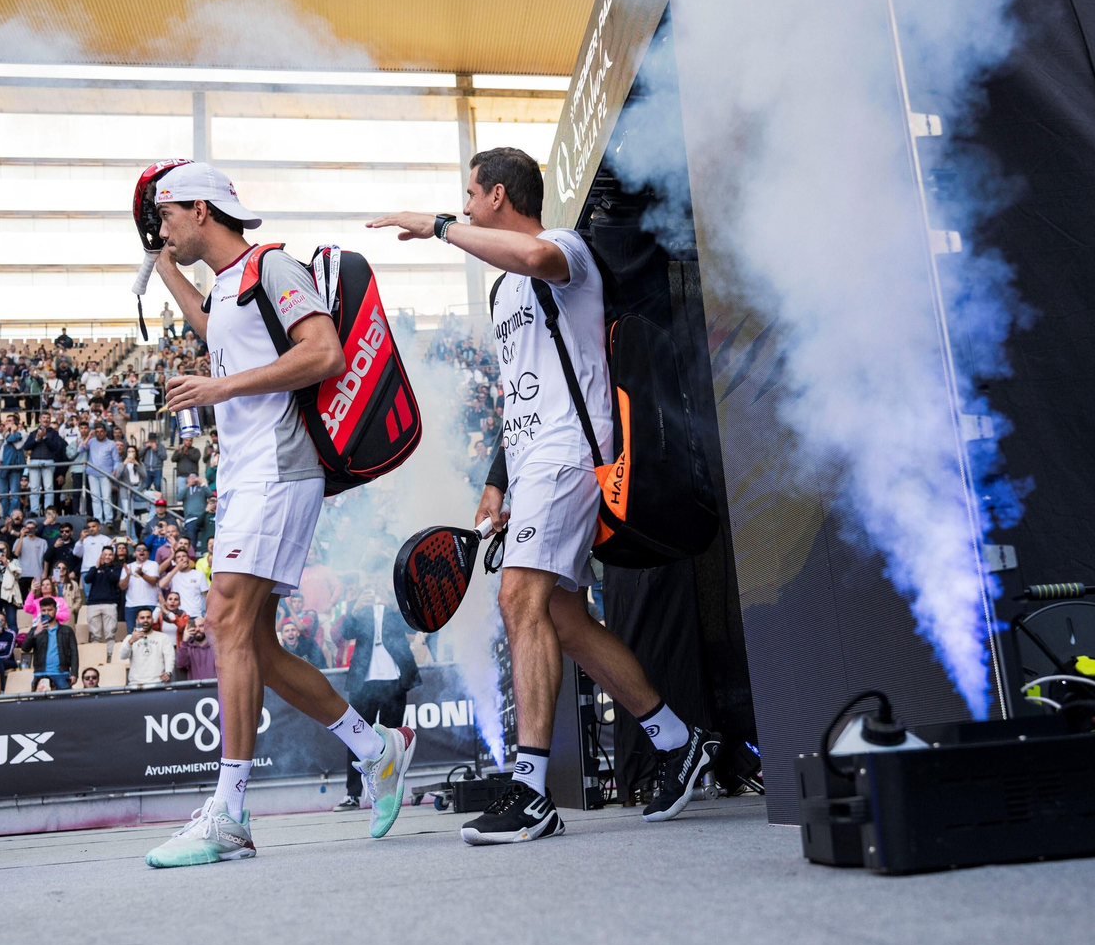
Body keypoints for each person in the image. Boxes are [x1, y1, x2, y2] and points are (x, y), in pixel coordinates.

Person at [371, 147, 722, 845]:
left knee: (518, 600)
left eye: (471, 194)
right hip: (533, 465)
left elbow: (534, 260)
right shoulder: (502, 294)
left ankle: (531, 792)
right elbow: (520, 396)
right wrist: (497, 482)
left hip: (571, 456)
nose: (466, 204)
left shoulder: (566, 250)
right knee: (561, 618)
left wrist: (437, 227)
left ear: (499, 195)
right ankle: (679, 741)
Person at [143, 161, 416, 867]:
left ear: (201, 210)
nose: (163, 227)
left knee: (227, 620)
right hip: (246, 474)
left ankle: (229, 812)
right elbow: (212, 326)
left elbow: (323, 352)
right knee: (255, 643)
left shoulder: (274, 266)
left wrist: (219, 388)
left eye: (167, 216)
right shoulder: (230, 286)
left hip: (277, 466)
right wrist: (160, 262)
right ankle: (375, 746)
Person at [337, 584, 420, 808]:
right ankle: (352, 793)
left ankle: (387, 793)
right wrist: (353, 610)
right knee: (356, 738)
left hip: (395, 679)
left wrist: (395, 605)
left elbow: (412, 629)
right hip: (364, 682)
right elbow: (344, 634)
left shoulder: (397, 605)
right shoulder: (359, 606)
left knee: (392, 741)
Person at [18, 601, 76, 690]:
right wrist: (36, 633)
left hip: (61, 674)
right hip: (40, 675)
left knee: (65, 703)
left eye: (50, 610)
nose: (46, 613)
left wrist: (74, 673)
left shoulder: (67, 630)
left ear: (56, 610)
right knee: (40, 704)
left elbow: (74, 653)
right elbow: (25, 648)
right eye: (43, 610)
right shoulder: (35, 630)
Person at [83, 546, 122, 654]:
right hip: (93, 604)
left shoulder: (117, 569)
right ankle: (96, 656)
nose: (107, 557)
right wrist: (97, 567)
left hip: (109, 604)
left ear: (113, 556)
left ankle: (110, 657)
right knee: (95, 635)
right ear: (101, 555)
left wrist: (106, 567)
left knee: (110, 634)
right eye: (105, 554)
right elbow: (87, 579)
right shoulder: (94, 568)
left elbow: (114, 579)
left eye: (110, 555)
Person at [118, 608, 171, 685]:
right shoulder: (129, 638)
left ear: (152, 620)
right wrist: (131, 641)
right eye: (142, 618)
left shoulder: (163, 637)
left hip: (158, 683)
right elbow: (122, 656)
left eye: (148, 617)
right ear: (137, 621)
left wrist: (168, 672)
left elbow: (169, 657)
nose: (145, 620)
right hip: (136, 684)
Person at [119, 542, 161, 633]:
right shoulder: (128, 567)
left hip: (150, 603)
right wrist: (128, 575)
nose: (141, 551)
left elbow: (153, 581)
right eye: (138, 550)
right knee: (133, 633)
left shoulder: (153, 564)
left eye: (144, 550)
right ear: (134, 553)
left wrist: (141, 574)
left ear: (148, 553)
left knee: (151, 633)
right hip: (131, 605)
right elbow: (122, 587)